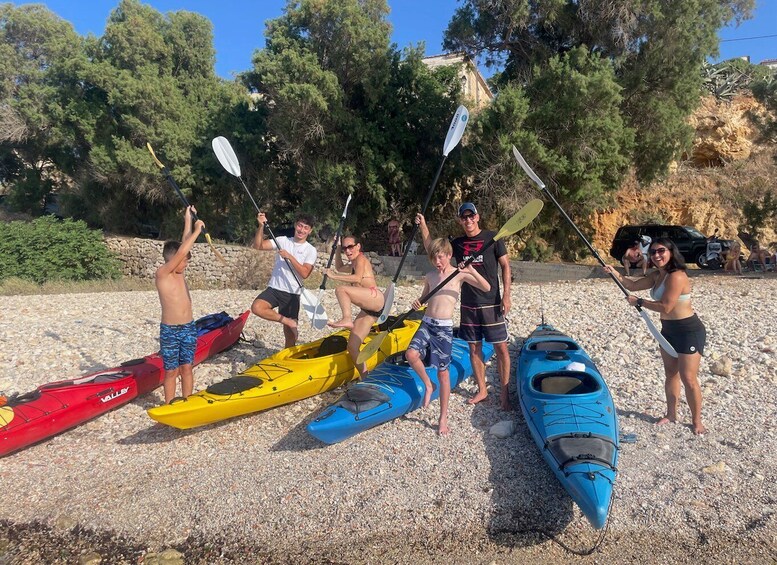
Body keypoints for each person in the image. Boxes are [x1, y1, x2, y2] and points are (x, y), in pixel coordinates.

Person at [603, 238, 706, 435]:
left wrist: (640, 302)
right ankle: (671, 414)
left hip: (688, 331)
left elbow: (666, 306)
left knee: (688, 378)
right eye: (652, 252)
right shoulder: (657, 274)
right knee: (671, 375)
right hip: (667, 330)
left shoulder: (676, 276)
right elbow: (632, 285)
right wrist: (614, 272)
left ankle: (697, 421)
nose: (657, 255)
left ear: (671, 252)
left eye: (661, 251)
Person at [417, 203, 513, 411]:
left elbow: (505, 265)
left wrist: (506, 295)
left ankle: (505, 395)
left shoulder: (493, 238)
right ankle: (482, 389)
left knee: (502, 348)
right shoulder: (458, 244)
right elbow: (432, 248)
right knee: (473, 347)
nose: (468, 221)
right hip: (469, 304)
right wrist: (423, 225)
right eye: (464, 218)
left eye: (471, 216)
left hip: (492, 301)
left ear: (477, 217)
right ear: (460, 220)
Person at [406, 238, 490, 435]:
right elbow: (424, 298)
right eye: (434, 257)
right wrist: (418, 303)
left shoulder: (458, 275)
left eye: (441, 257)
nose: (437, 261)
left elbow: (486, 287)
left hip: (444, 329)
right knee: (411, 354)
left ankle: (442, 418)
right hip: (427, 323)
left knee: (443, 373)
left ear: (449, 255)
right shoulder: (430, 276)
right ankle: (428, 383)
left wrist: (470, 270)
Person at [155, 206, 204, 404]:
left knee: (186, 367)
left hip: (189, 327)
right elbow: (183, 250)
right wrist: (198, 231)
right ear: (173, 260)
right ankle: (169, 404)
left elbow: (184, 245)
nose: (187, 264)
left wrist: (188, 219)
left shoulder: (180, 272)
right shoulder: (162, 275)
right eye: (184, 261)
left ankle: (187, 402)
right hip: (170, 331)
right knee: (171, 370)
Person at [251, 212, 317, 348]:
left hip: (292, 293)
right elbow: (258, 246)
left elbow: (305, 273)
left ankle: (289, 359)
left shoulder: (310, 250)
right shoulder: (282, 241)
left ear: (310, 231)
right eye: (300, 226)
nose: (301, 230)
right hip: (274, 288)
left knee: (290, 338)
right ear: (295, 225)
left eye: (305, 228)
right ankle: (287, 321)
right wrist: (261, 226)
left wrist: (290, 257)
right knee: (257, 307)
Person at [323, 235, 384, 377]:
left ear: (358, 247)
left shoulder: (361, 259)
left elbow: (357, 278)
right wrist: (337, 248)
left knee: (341, 289)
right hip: (369, 311)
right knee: (352, 346)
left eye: (350, 247)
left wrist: (333, 276)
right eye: (345, 248)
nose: (347, 251)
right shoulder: (352, 263)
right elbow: (339, 267)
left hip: (375, 298)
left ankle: (346, 319)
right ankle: (365, 376)